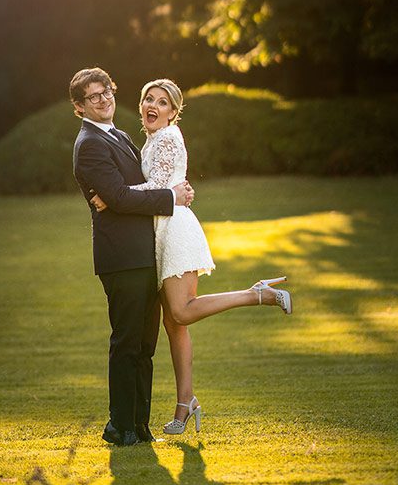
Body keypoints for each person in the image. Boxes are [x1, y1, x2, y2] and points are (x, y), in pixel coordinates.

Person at [91, 78, 292, 436]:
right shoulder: (152, 139)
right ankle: (186, 403)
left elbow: (157, 188)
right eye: (148, 99)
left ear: (173, 112)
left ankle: (256, 294)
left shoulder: (168, 137)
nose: (153, 106)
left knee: (182, 312)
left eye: (162, 102)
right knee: (174, 324)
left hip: (174, 230)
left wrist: (113, 195)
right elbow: (165, 185)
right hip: (159, 230)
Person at [70, 66, 195, 448]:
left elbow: (131, 190)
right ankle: (119, 425)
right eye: (93, 96)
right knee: (126, 343)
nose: (103, 99)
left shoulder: (120, 135)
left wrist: (168, 191)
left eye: (106, 91)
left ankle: (140, 426)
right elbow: (120, 198)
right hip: (122, 257)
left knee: (144, 346)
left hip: (145, 253)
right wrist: (172, 197)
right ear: (79, 107)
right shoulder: (90, 144)